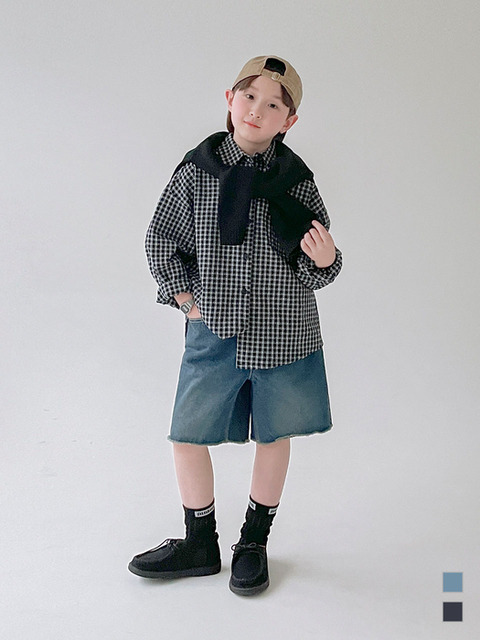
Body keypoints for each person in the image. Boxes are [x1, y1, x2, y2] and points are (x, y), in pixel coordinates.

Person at [128, 55, 342, 596]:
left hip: (284, 333)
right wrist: (184, 296)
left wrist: (326, 260)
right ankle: (199, 542)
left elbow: (315, 260)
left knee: (275, 434)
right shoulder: (197, 171)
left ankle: (253, 542)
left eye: (273, 105)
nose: (257, 111)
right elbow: (161, 237)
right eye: (249, 97)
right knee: (186, 434)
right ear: (230, 98)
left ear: (289, 121)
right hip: (215, 328)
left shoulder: (296, 181)